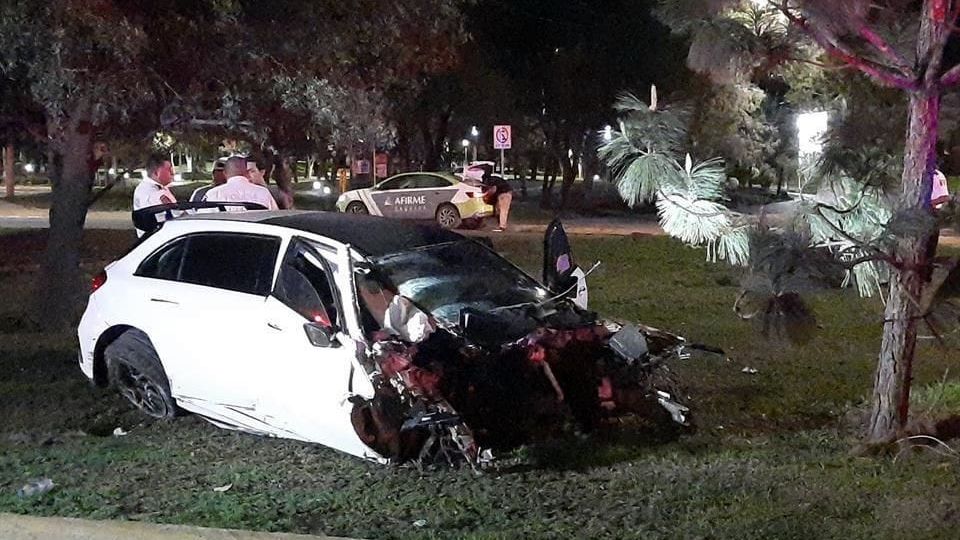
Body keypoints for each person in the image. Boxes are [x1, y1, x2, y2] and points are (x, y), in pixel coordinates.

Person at [203, 155, 278, 210]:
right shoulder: (263, 193)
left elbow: (202, 220)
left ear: (225, 173)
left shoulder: (213, 194)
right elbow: (275, 218)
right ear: (246, 172)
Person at [132, 154, 176, 236]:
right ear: (156, 173)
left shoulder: (154, 188)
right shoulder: (151, 193)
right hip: (159, 239)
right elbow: (174, 214)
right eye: (169, 170)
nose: (173, 173)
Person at [479, 164, 513, 232]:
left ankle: (502, 227)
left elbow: (493, 190)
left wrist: (485, 195)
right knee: (498, 210)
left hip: (504, 194)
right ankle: (501, 224)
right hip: (504, 193)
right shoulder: (494, 178)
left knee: (503, 210)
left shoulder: (490, 180)